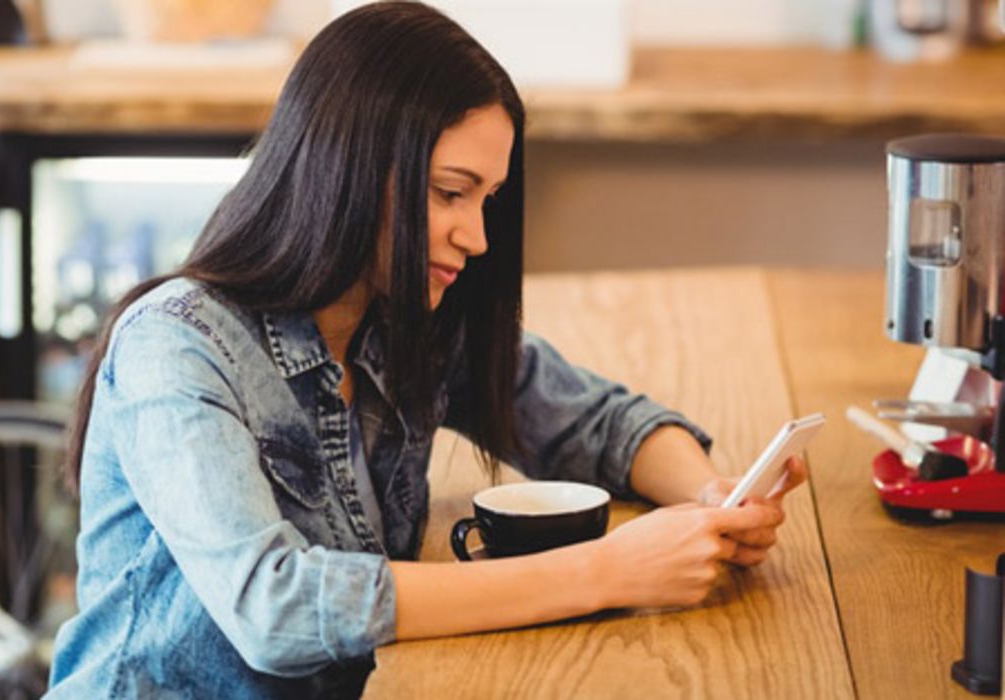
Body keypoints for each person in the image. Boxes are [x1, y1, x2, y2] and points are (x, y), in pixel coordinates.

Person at [45, 2, 805, 697]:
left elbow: (593, 424)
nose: (475, 237)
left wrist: (711, 500)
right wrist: (605, 572)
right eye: (450, 193)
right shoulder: (176, 346)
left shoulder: (407, 320)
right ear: (346, 165)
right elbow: (271, 607)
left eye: (486, 201)